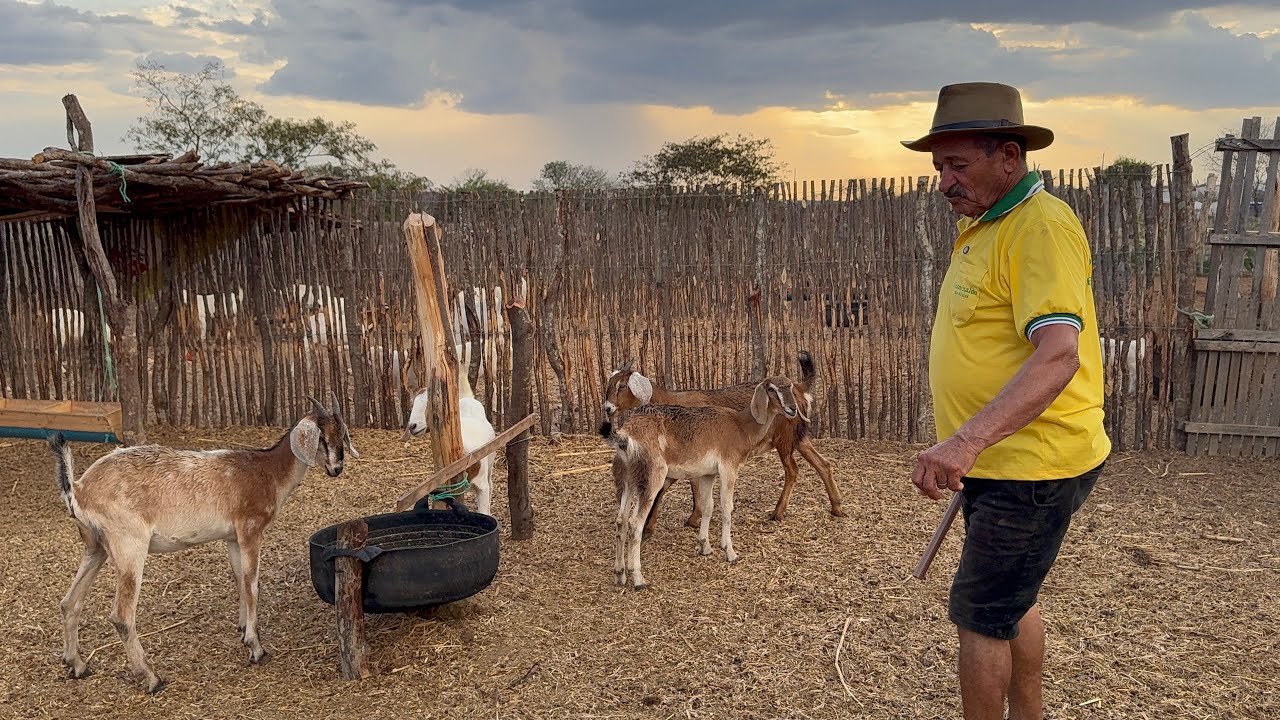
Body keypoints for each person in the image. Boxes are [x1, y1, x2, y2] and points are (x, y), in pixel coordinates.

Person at [902, 82, 1111, 720]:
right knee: (1012, 599)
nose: (945, 182)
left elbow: (1058, 355)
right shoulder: (988, 224)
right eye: (939, 167)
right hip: (1002, 460)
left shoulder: (1039, 228)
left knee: (981, 616)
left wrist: (966, 441)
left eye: (958, 165)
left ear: (1010, 157)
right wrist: (974, 448)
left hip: (1031, 465)